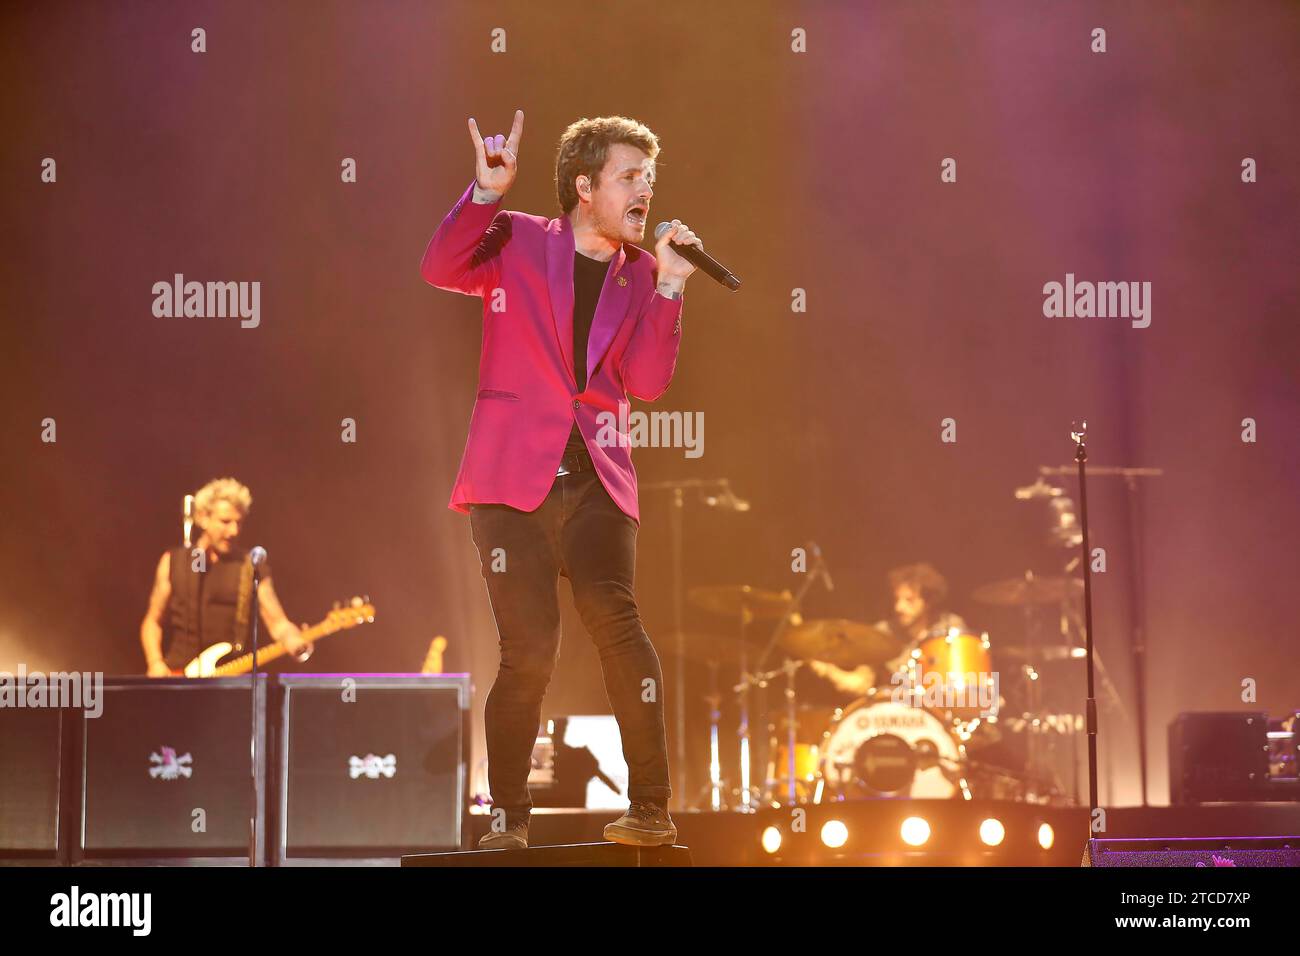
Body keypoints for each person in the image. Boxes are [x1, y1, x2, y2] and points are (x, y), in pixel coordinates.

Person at [419, 110, 704, 849]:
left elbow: (644, 378)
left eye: (650, 177)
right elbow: (440, 268)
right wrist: (483, 193)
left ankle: (650, 805)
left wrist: (672, 286)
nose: (646, 191)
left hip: (596, 480)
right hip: (510, 480)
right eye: (630, 177)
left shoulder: (643, 273)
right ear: (585, 187)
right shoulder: (514, 237)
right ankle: (509, 814)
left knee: (618, 623)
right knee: (529, 650)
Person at [140, 477, 309, 676]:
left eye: (239, 523)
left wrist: (293, 638)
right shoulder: (173, 561)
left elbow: (278, 622)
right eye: (225, 522)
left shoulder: (251, 566)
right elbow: (152, 621)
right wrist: (155, 662)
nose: (233, 531)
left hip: (230, 676)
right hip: (177, 675)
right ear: (202, 518)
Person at [810, 562, 968, 695]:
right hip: (896, 718)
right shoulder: (882, 633)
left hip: (941, 714)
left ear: (927, 602)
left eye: (909, 600)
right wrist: (829, 671)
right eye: (897, 599)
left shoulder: (950, 627)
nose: (899, 607)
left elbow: (964, 685)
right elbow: (861, 684)